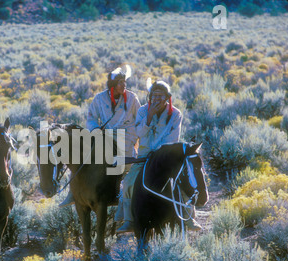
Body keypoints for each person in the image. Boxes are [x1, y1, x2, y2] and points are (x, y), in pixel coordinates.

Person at [115, 79, 202, 233]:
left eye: (160, 96)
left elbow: (172, 139)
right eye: (153, 95)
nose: (156, 99)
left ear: (167, 98)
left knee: (183, 182)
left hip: (166, 158)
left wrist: (158, 153)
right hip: (144, 157)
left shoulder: (175, 114)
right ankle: (129, 220)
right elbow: (139, 133)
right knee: (128, 183)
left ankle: (189, 217)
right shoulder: (143, 111)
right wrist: (149, 117)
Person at [59, 65, 141, 208]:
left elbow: (139, 118)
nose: (124, 85)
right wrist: (95, 129)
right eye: (120, 82)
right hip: (104, 135)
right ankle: (73, 192)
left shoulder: (132, 98)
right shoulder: (99, 98)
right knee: (82, 154)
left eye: (124, 82)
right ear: (113, 85)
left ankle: (119, 194)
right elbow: (91, 118)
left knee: (119, 163)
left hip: (126, 137)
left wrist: (134, 134)